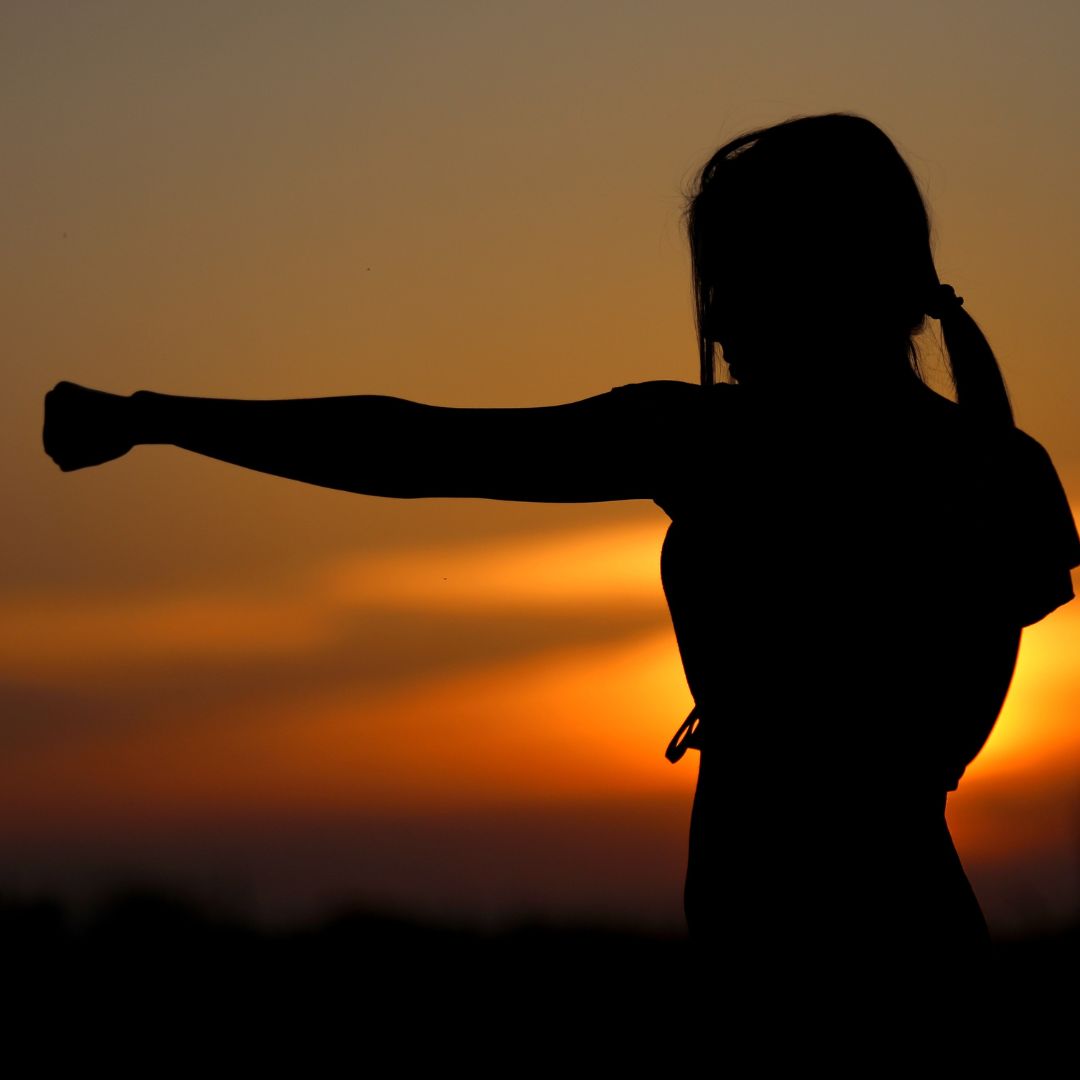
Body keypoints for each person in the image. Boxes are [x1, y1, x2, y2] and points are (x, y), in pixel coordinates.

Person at [43, 113, 1080, 973]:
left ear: (816, 276)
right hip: (900, 927)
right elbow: (955, 725)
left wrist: (157, 416)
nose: (716, 323)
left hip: (808, 946)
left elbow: (415, 449)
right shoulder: (1000, 468)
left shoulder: (718, 446)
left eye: (735, 281)